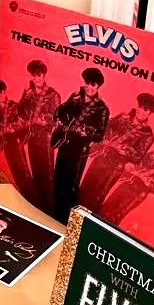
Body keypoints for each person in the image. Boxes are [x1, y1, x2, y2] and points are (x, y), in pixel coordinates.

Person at [79, 93, 154, 211]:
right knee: (85, 187)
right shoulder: (123, 117)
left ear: (150, 113)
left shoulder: (148, 135)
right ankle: (67, 218)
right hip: (102, 157)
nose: (141, 111)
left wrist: (123, 149)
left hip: (115, 167)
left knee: (97, 195)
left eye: (145, 110)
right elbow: (106, 130)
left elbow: (137, 157)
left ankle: (82, 220)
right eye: (140, 107)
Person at [51, 68, 110, 224]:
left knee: (71, 186)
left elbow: (99, 136)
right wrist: (59, 121)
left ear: (98, 87)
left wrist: (86, 132)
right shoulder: (75, 97)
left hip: (79, 151)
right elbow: (59, 111)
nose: (89, 87)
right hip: (65, 145)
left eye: (93, 84)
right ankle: (54, 218)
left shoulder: (102, 109)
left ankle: (67, 223)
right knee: (58, 182)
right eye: (87, 83)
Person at [98, 140, 154, 227]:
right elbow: (139, 165)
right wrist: (131, 167)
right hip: (127, 183)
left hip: (137, 194)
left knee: (116, 215)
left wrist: (148, 181)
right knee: (106, 205)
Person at [16, 60, 61, 212]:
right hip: (32, 138)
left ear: (44, 75)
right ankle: (38, 208)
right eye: (34, 75)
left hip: (46, 139)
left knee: (47, 175)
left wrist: (44, 119)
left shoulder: (53, 94)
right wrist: (24, 94)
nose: (37, 78)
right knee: (36, 173)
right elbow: (20, 113)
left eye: (39, 75)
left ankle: (49, 210)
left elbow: (57, 118)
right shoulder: (29, 94)